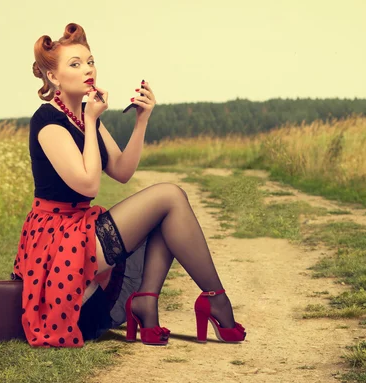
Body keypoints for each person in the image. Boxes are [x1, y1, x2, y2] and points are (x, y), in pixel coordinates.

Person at [13, 22, 246, 348]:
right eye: (75, 64)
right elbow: (88, 186)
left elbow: (122, 171)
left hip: (80, 228)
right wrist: (92, 120)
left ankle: (147, 302)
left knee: (167, 207)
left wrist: (142, 121)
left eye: (90, 61)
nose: (88, 70)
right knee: (169, 196)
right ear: (53, 77)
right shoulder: (48, 121)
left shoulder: (81, 113)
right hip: (57, 237)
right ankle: (214, 300)